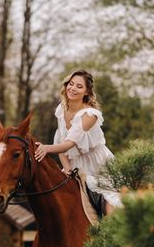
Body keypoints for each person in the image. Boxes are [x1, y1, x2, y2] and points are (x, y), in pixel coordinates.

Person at [34, 68, 122, 215]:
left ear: (87, 92)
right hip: (74, 163)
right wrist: (67, 169)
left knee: (110, 206)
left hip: (97, 164)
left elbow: (69, 143)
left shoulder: (89, 115)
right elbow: (60, 140)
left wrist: (46, 149)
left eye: (79, 86)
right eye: (71, 84)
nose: (73, 88)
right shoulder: (61, 109)